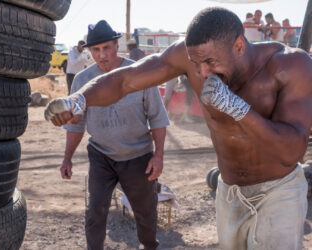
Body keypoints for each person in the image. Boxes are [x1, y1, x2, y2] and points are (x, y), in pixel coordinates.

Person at [45, 7, 312, 250]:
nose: (203, 73)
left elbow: (292, 151)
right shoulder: (190, 58)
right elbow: (126, 80)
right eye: (196, 64)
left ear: (239, 46)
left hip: (279, 192)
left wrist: (239, 109)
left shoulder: (290, 65)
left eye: (210, 62)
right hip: (229, 191)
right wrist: (79, 100)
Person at [57, 20, 169, 250]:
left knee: (145, 211)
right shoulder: (81, 81)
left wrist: (158, 156)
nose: (102, 55)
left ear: (117, 46)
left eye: (106, 48)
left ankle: (149, 246)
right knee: (95, 209)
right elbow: (77, 125)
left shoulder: (140, 75)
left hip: (138, 156)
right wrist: (67, 157)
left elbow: (157, 118)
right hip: (101, 155)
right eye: (95, 50)